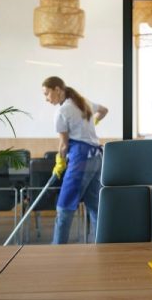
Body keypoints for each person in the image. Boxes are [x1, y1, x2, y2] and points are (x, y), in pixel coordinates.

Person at [42, 76, 108, 244]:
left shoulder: (62, 111)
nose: (46, 99)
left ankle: (58, 249)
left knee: (64, 205)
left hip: (80, 159)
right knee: (95, 206)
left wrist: (60, 162)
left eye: (47, 94)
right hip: (97, 158)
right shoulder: (83, 102)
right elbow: (104, 110)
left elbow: (63, 145)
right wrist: (93, 123)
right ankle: (101, 246)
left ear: (57, 89)